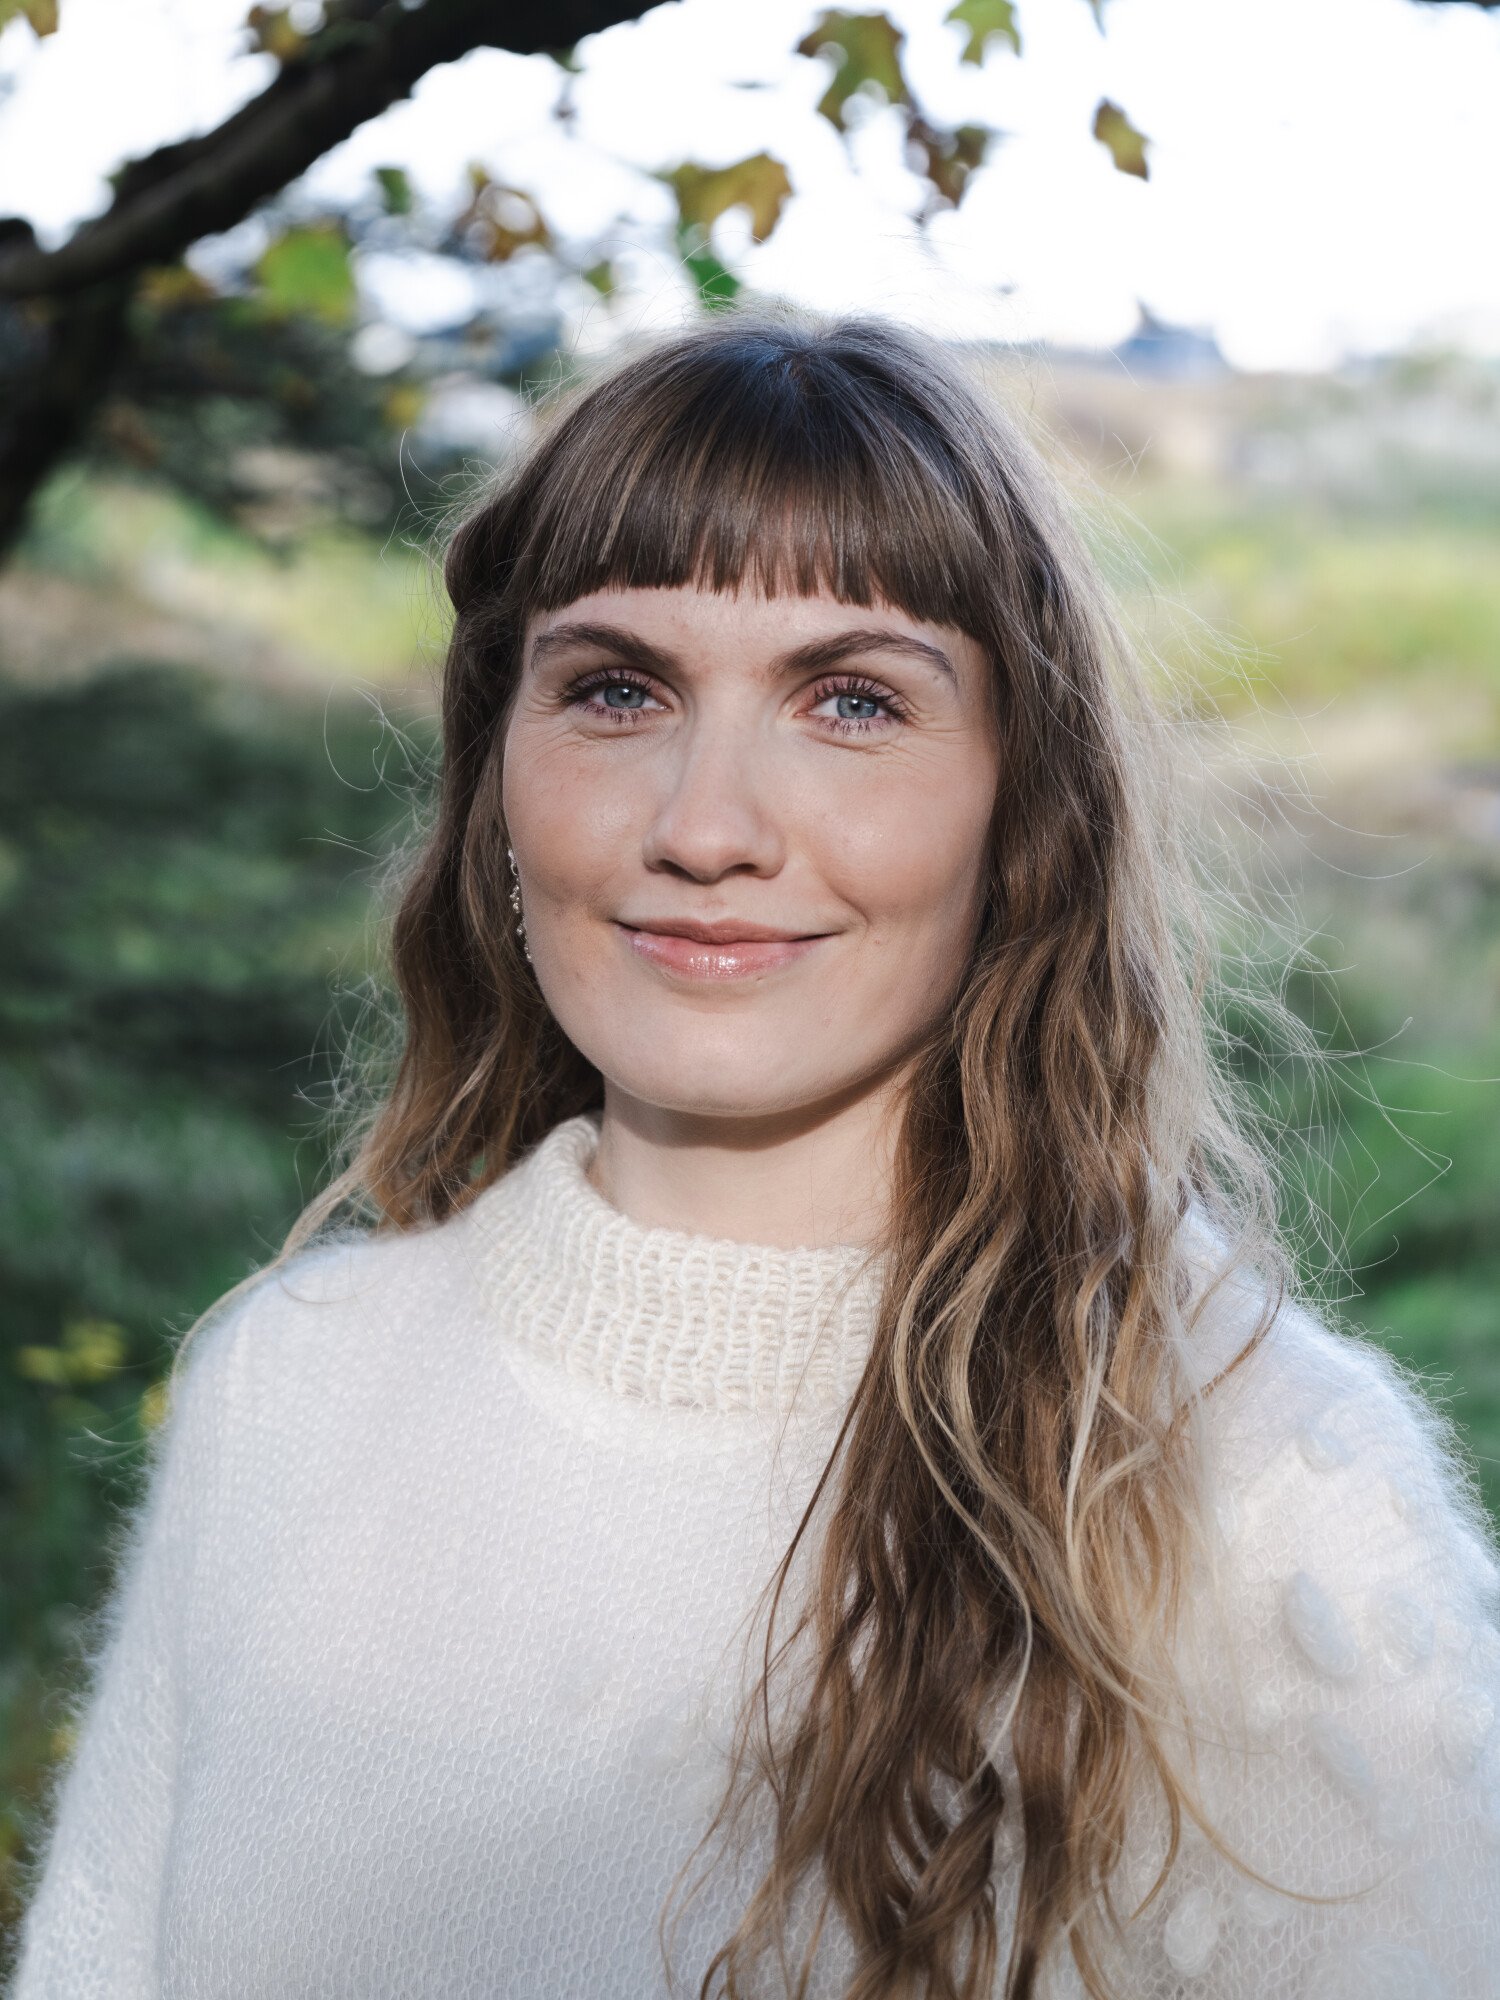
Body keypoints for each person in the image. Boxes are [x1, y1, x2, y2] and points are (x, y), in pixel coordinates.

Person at [6, 306, 1499, 2000]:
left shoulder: (1264, 1502)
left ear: (1027, 812)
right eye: (617, 689)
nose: (706, 826)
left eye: (852, 702)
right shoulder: (286, 1391)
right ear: (498, 777)